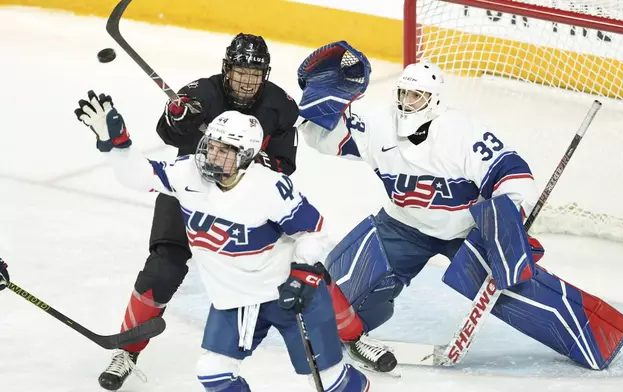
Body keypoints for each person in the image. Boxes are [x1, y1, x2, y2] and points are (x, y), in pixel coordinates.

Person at [74, 91, 371, 392]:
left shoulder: (269, 187)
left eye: (225, 150)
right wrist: (117, 147)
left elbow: (316, 231)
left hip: (288, 294)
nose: (212, 156)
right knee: (213, 372)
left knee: (331, 381)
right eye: (211, 146)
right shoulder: (187, 173)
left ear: (246, 155)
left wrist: (300, 274)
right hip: (235, 299)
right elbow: (137, 177)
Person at [298, 59, 544, 372]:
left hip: (464, 232)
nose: (406, 102)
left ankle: (583, 328)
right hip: (403, 225)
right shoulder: (379, 125)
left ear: (435, 100)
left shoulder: (462, 132)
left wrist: (510, 219)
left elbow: (512, 171)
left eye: (416, 96)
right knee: (335, 307)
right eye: (403, 93)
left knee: (522, 290)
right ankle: (356, 334)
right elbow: (323, 138)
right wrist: (318, 105)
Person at [95, 33, 299, 390]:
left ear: (264, 75)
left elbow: (285, 165)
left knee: (291, 268)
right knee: (163, 269)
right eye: (239, 73)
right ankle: (127, 350)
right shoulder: (201, 93)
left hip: (245, 203)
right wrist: (177, 117)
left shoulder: (280, 105)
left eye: (254, 74)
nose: (247, 82)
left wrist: (257, 161)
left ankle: (343, 336)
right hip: (190, 191)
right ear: (226, 70)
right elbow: (169, 134)